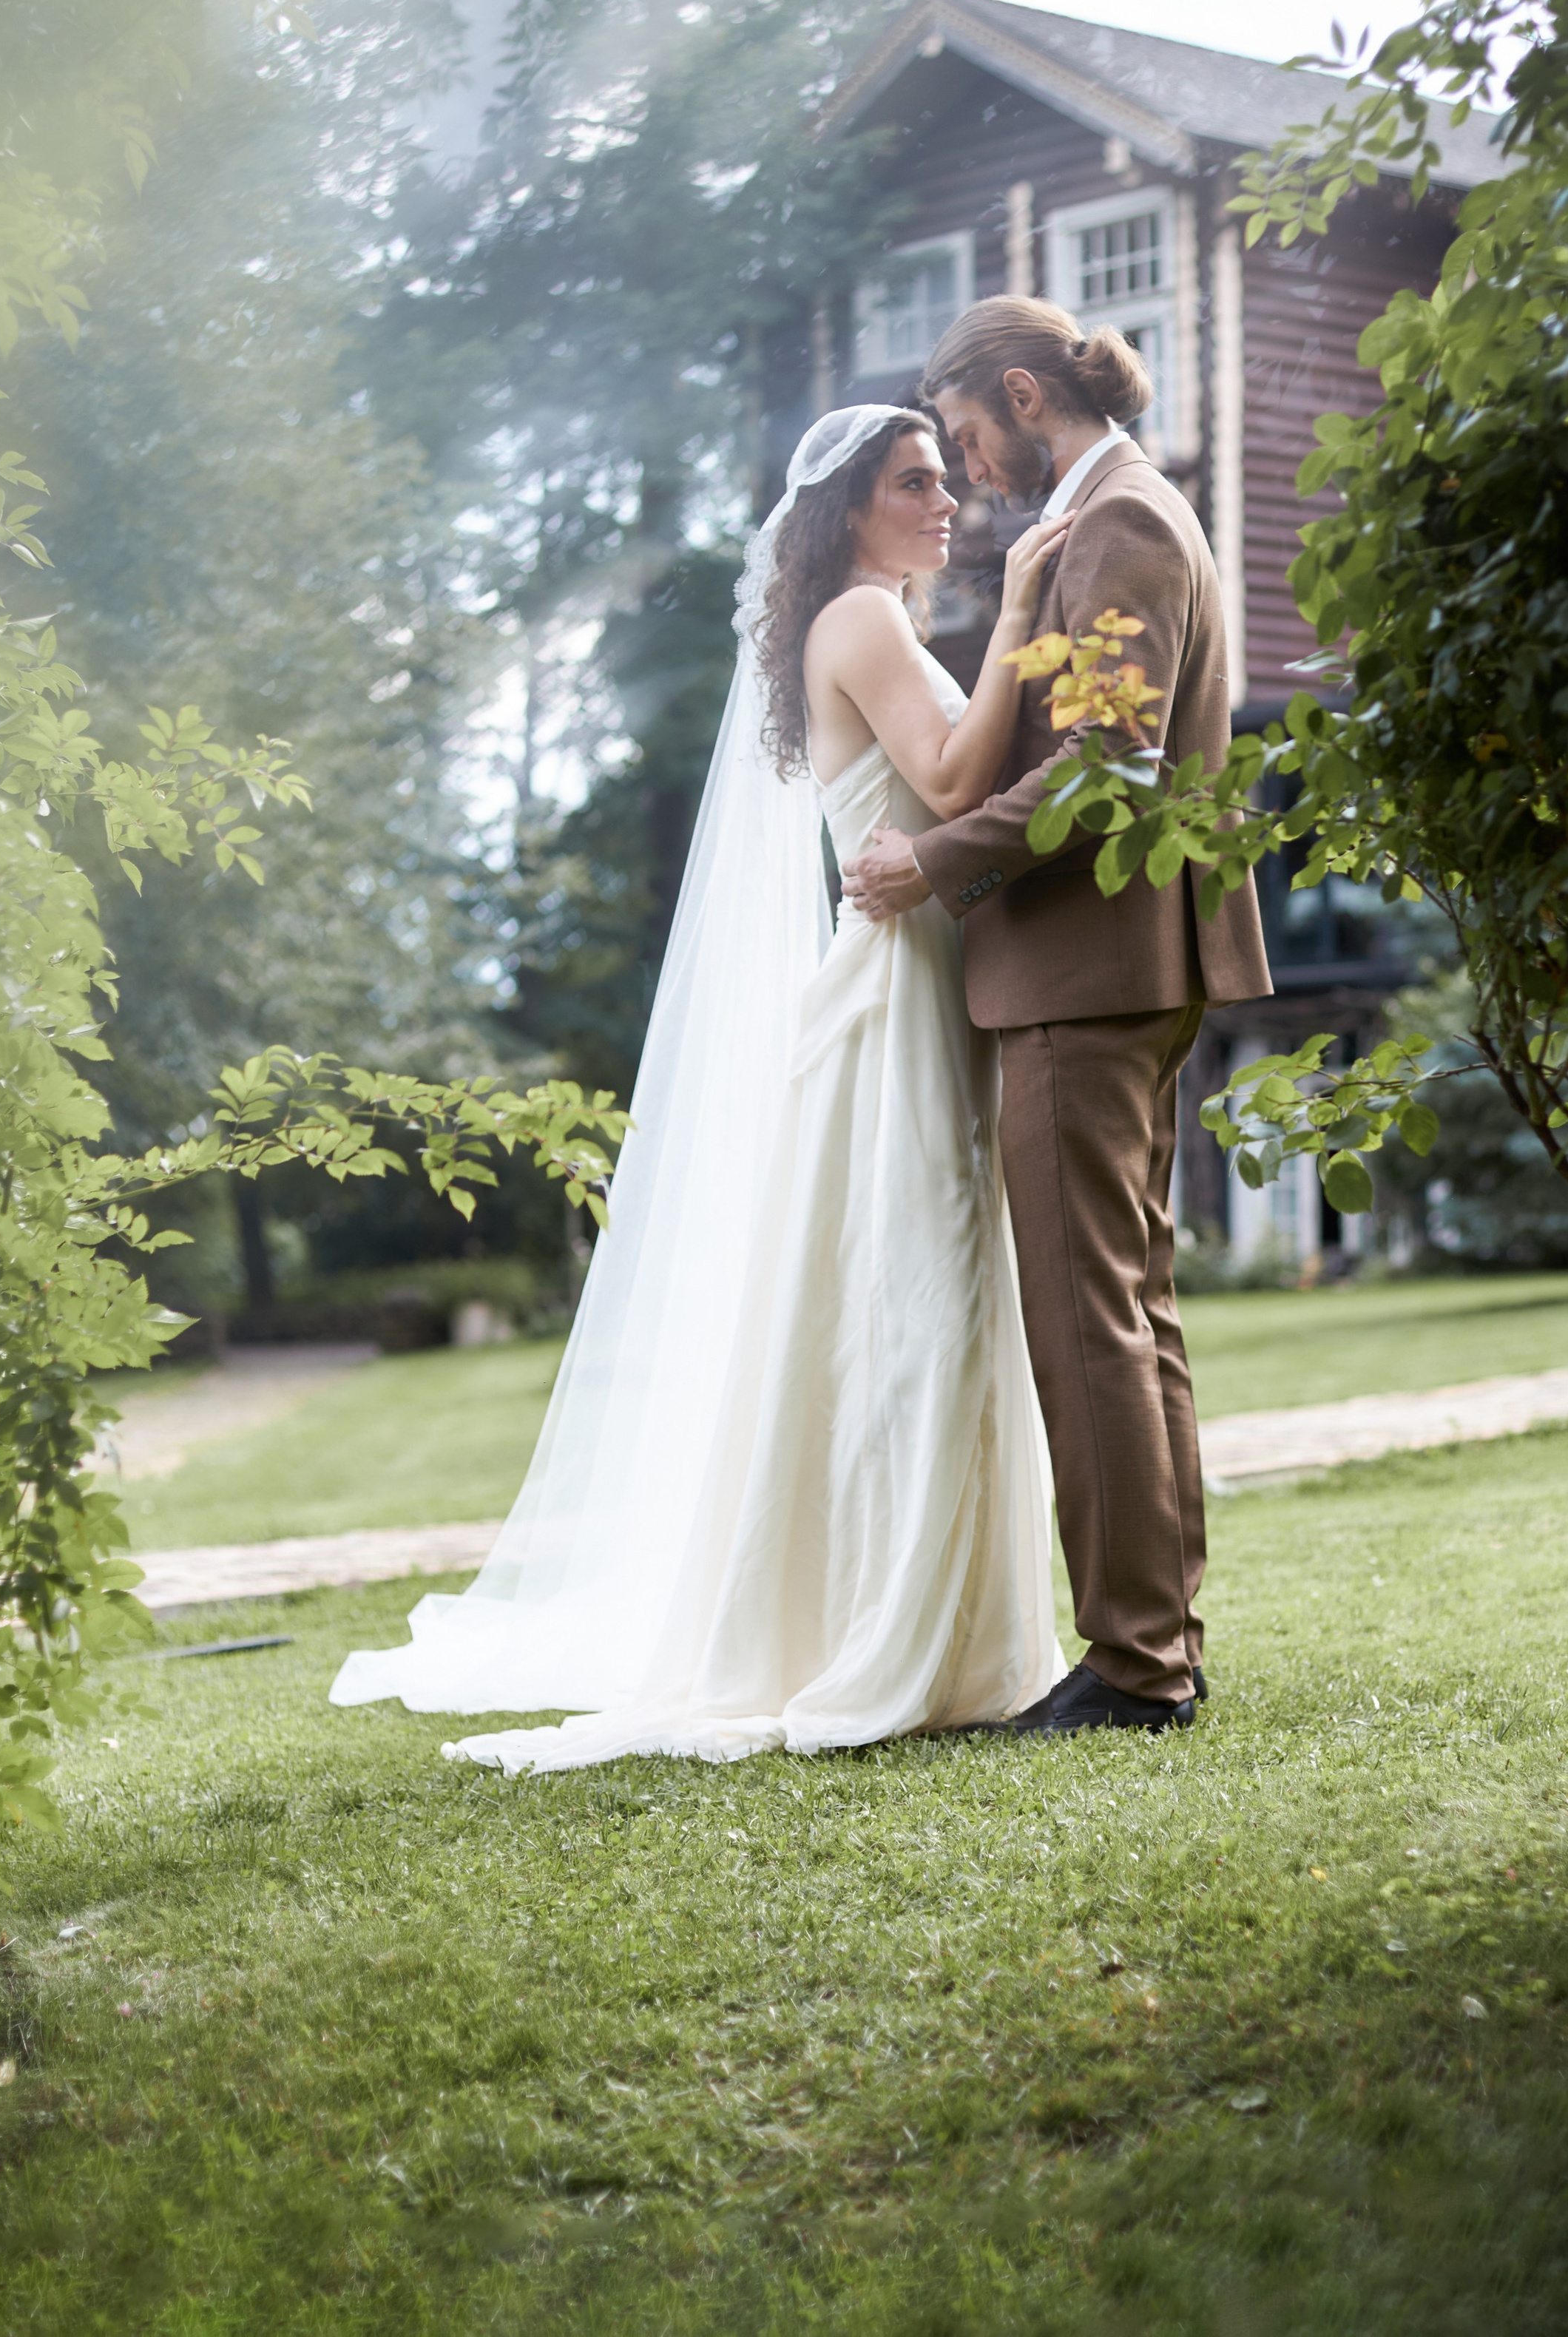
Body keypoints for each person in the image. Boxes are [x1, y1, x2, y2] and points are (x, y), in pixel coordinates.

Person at [331, 404, 1072, 1768]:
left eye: (943, 480)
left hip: (914, 968)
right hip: (904, 985)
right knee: (925, 1292)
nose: (947, 500)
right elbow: (957, 774)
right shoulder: (864, 621)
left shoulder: (858, 622)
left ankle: (945, 1625)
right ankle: (897, 1630)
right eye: (916, 482)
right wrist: (1027, 602)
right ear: (849, 508)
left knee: (921, 1293)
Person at [844, 297, 1272, 1739]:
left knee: (1087, 1321)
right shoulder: (1105, 523)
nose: (965, 473)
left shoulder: (1122, 525)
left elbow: (1108, 766)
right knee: (1124, 1314)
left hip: (1090, 971)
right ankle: (1156, 1647)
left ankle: (1138, 1666)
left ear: (1021, 394)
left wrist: (927, 861)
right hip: (1103, 969)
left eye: (966, 437)